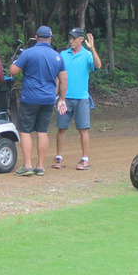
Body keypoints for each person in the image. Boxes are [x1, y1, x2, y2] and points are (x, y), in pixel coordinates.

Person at [9, 25, 67, 177]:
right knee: (42, 131)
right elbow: (63, 79)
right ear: (50, 38)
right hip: (48, 99)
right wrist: (61, 98)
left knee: (25, 131)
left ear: (35, 37)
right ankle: (40, 166)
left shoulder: (28, 53)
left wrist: (16, 60)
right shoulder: (57, 56)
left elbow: (13, 71)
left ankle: (27, 165)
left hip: (30, 98)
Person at [55, 28, 102, 170]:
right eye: (70, 38)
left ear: (81, 39)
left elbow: (98, 66)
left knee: (83, 128)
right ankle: (58, 158)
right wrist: (56, 96)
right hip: (65, 98)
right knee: (61, 128)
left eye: (74, 38)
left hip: (81, 98)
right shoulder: (63, 54)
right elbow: (58, 76)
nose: (71, 41)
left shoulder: (87, 55)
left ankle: (85, 159)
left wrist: (92, 48)